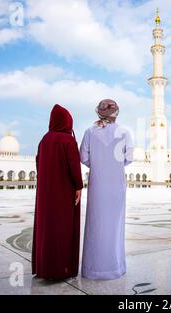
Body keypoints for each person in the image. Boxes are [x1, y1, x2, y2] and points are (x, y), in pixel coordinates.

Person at [80, 99, 134, 280]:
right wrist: (114, 165)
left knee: (96, 223)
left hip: (97, 184)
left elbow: (84, 158)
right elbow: (129, 158)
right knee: (115, 225)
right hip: (116, 184)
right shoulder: (124, 132)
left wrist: (99, 164)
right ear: (116, 112)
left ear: (99, 112)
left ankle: (93, 269)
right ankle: (114, 267)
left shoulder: (90, 131)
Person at [32, 104, 84, 280]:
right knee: (62, 228)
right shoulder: (67, 140)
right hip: (63, 193)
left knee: (46, 229)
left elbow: (38, 165)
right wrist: (79, 186)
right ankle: (61, 269)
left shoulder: (44, 140)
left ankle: (43, 268)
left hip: (45, 194)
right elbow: (74, 167)